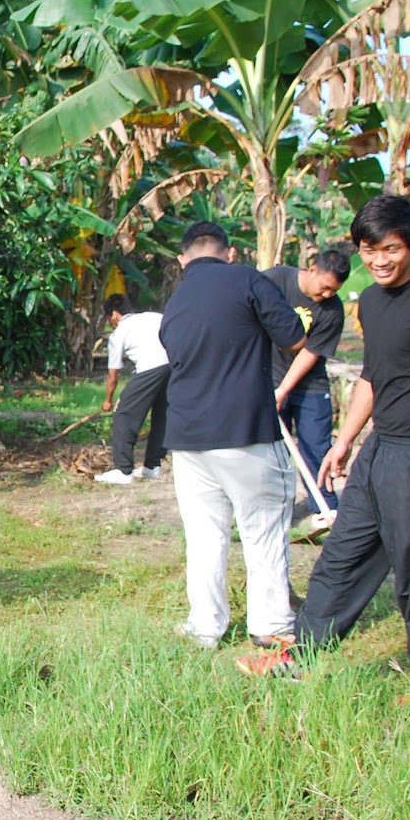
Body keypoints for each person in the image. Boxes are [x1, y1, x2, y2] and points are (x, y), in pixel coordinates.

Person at [239, 195, 410, 679]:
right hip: (379, 451)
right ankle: (299, 659)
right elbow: (373, 375)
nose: (378, 261)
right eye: (368, 250)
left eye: (389, 249)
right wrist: (345, 440)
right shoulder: (369, 301)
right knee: (341, 555)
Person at [161, 222, 306, 648]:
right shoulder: (246, 277)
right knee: (263, 529)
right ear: (229, 252)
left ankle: (205, 626)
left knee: (205, 536)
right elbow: (294, 338)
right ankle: (272, 626)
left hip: (188, 437)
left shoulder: (175, 301)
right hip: (245, 433)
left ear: (182, 260)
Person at [264, 248, 351, 511]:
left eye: (333, 291)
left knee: (316, 448)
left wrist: (283, 391)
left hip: (310, 386)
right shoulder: (274, 281)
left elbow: (311, 353)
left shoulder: (333, 310)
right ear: (312, 270)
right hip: (267, 377)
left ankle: (325, 509)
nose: (327, 295)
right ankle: (275, 509)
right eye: (324, 287)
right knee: (271, 452)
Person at [94, 293, 170, 485]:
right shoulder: (154, 317)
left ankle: (123, 469)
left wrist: (108, 401)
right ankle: (153, 466)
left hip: (150, 369)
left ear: (114, 314)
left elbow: (113, 375)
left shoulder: (118, 334)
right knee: (161, 416)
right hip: (173, 366)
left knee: (124, 415)